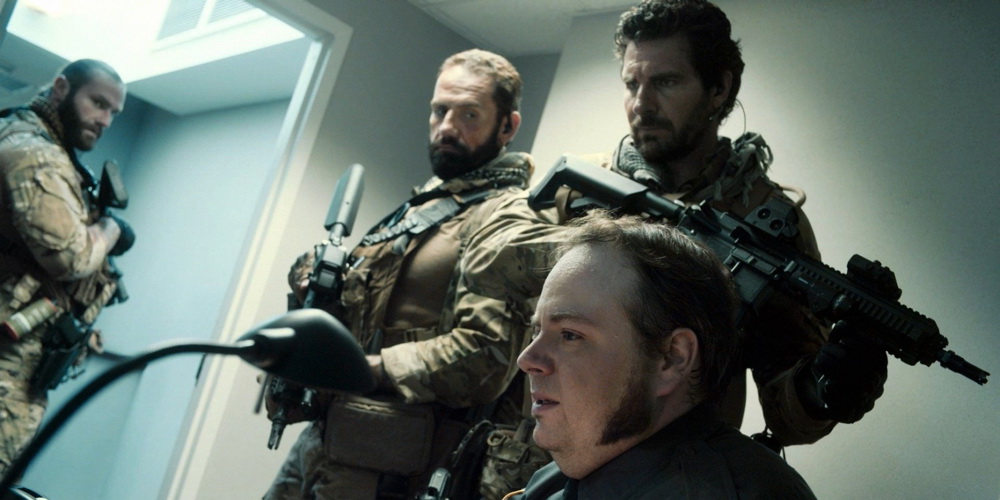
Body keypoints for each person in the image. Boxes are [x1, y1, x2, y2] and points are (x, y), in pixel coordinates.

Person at [464, 0, 888, 476]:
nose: (641, 104)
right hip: (535, 463)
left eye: (666, 82)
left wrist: (825, 388)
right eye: (632, 84)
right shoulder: (582, 182)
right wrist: (629, 252)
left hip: (668, 477)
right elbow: (483, 257)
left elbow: (787, 414)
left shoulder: (765, 223)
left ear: (719, 88)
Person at [262, 49, 536, 500]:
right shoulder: (427, 204)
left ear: (507, 127)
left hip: (391, 467)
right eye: (440, 110)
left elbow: (484, 356)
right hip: (328, 441)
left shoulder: (506, 216)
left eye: (469, 114)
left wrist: (363, 368)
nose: (447, 126)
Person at [504, 210, 816, 499]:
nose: (527, 359)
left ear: (671, 358)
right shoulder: (571, 473)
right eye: (536, 331)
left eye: (570, 335)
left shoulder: (725, 491)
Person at [0, 59, 131, 474]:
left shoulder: (42, 144)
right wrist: (110, 229)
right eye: (98, 103)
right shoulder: (36, 154)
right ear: (60, 88)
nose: (105, 120)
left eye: (113, 112)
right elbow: (70, 258)